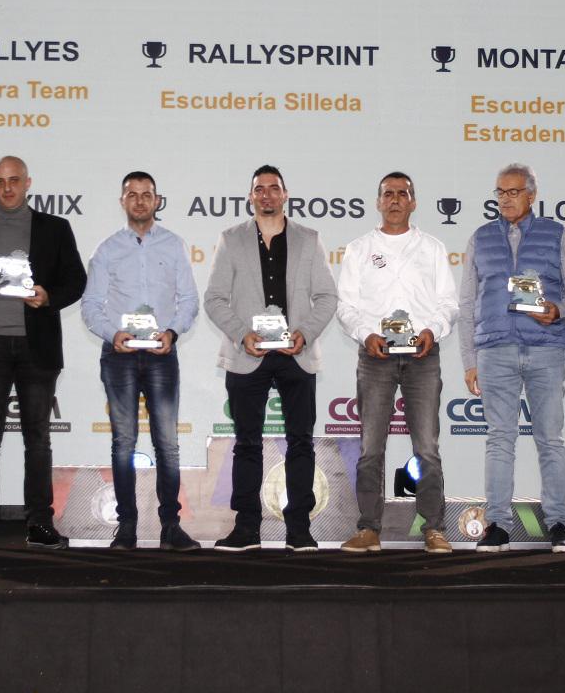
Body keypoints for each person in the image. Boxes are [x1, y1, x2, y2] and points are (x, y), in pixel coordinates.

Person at [203, 165, 338, 552]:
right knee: (247, 443)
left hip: (297, 354)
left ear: (285, 194)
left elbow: (327, 296)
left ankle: (300, 530)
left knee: (301, 443)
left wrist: (305, 333)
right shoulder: (231, 240)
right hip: (248, 354)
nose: (266, 195)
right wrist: (240, 334)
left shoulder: (309, 239)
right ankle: (247, 529)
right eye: (259, 189)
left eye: (273, 188)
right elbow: (214, 299)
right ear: (251, 197)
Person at [459, 163, 565, 554]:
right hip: (494, 350)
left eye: (513, 192)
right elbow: (467, 303)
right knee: (500, 439)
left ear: (531, 195)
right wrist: (469, 359)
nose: (505, 199)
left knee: (550, 440)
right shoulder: (480, 238)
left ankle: (560, 524)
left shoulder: (556, 234)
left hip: (545, 348)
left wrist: (557, 310)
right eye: (500, 192)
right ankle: (497, 524)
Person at [0, 156, 86, 550]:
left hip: (37, 347)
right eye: (0, 182)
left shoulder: (55, 227)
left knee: (38, 439)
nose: (8, 188)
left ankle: (39, 523)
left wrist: (48, 297)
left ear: (28, 183)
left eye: (14, 180)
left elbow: (76, 281)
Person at [335, 172, 459, 554]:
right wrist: (365, 334)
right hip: (376, 356)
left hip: (422, 356)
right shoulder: (359, 249)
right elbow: (346, 306)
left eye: (402, 194)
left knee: (427, 448)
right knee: (371, 448)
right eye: (387, 193)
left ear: (413, 202)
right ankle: (368, 529)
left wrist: (433, 331)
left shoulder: (432, 248)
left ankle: (434, 529)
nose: (394, 199)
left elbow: (448, 304)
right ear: (378, 202)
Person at [81, 171, 201, 551]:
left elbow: (189, 300)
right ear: (122, 201)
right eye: (131, 194)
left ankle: (171, 528)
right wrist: (111, 333)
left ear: (157, 200)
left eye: (146, 194)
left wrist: (173, 332)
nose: (139, 201)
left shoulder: (174, 245)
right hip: (119, 356)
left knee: (168, 444)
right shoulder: (107, 249)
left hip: (162, 355)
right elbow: (90, 304)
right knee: (123, 443)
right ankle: (127, 528)